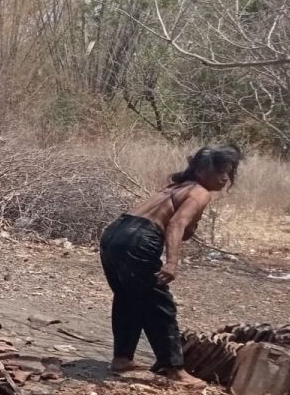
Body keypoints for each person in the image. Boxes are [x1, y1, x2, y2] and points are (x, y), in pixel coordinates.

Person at [99, 145, 242, 380]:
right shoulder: (199, 192)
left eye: (228, 172)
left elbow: (178, 226)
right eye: (220, 172)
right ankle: (174, 369)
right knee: (160, 305)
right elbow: (176, 225)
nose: (225, 178)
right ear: (201, 170)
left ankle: (122, 359)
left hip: (115, 234)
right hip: (139, 239)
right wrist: (172, 263)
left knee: (128, 298)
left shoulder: (176, 187)